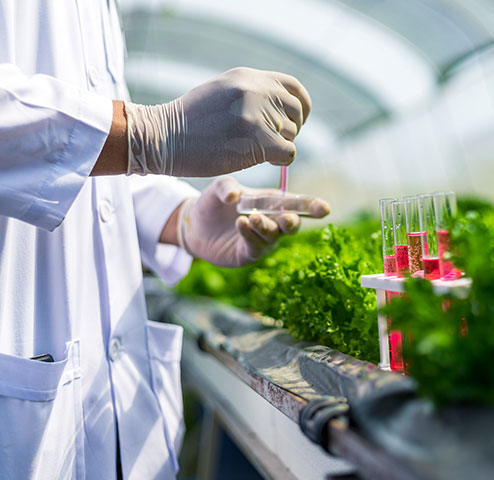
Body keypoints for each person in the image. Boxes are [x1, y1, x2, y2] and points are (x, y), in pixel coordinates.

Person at [0, 1, 329, 479]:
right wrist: (147, 131)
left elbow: (91, 172)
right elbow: (96, 141)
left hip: (114, 425)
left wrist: (183, 218)